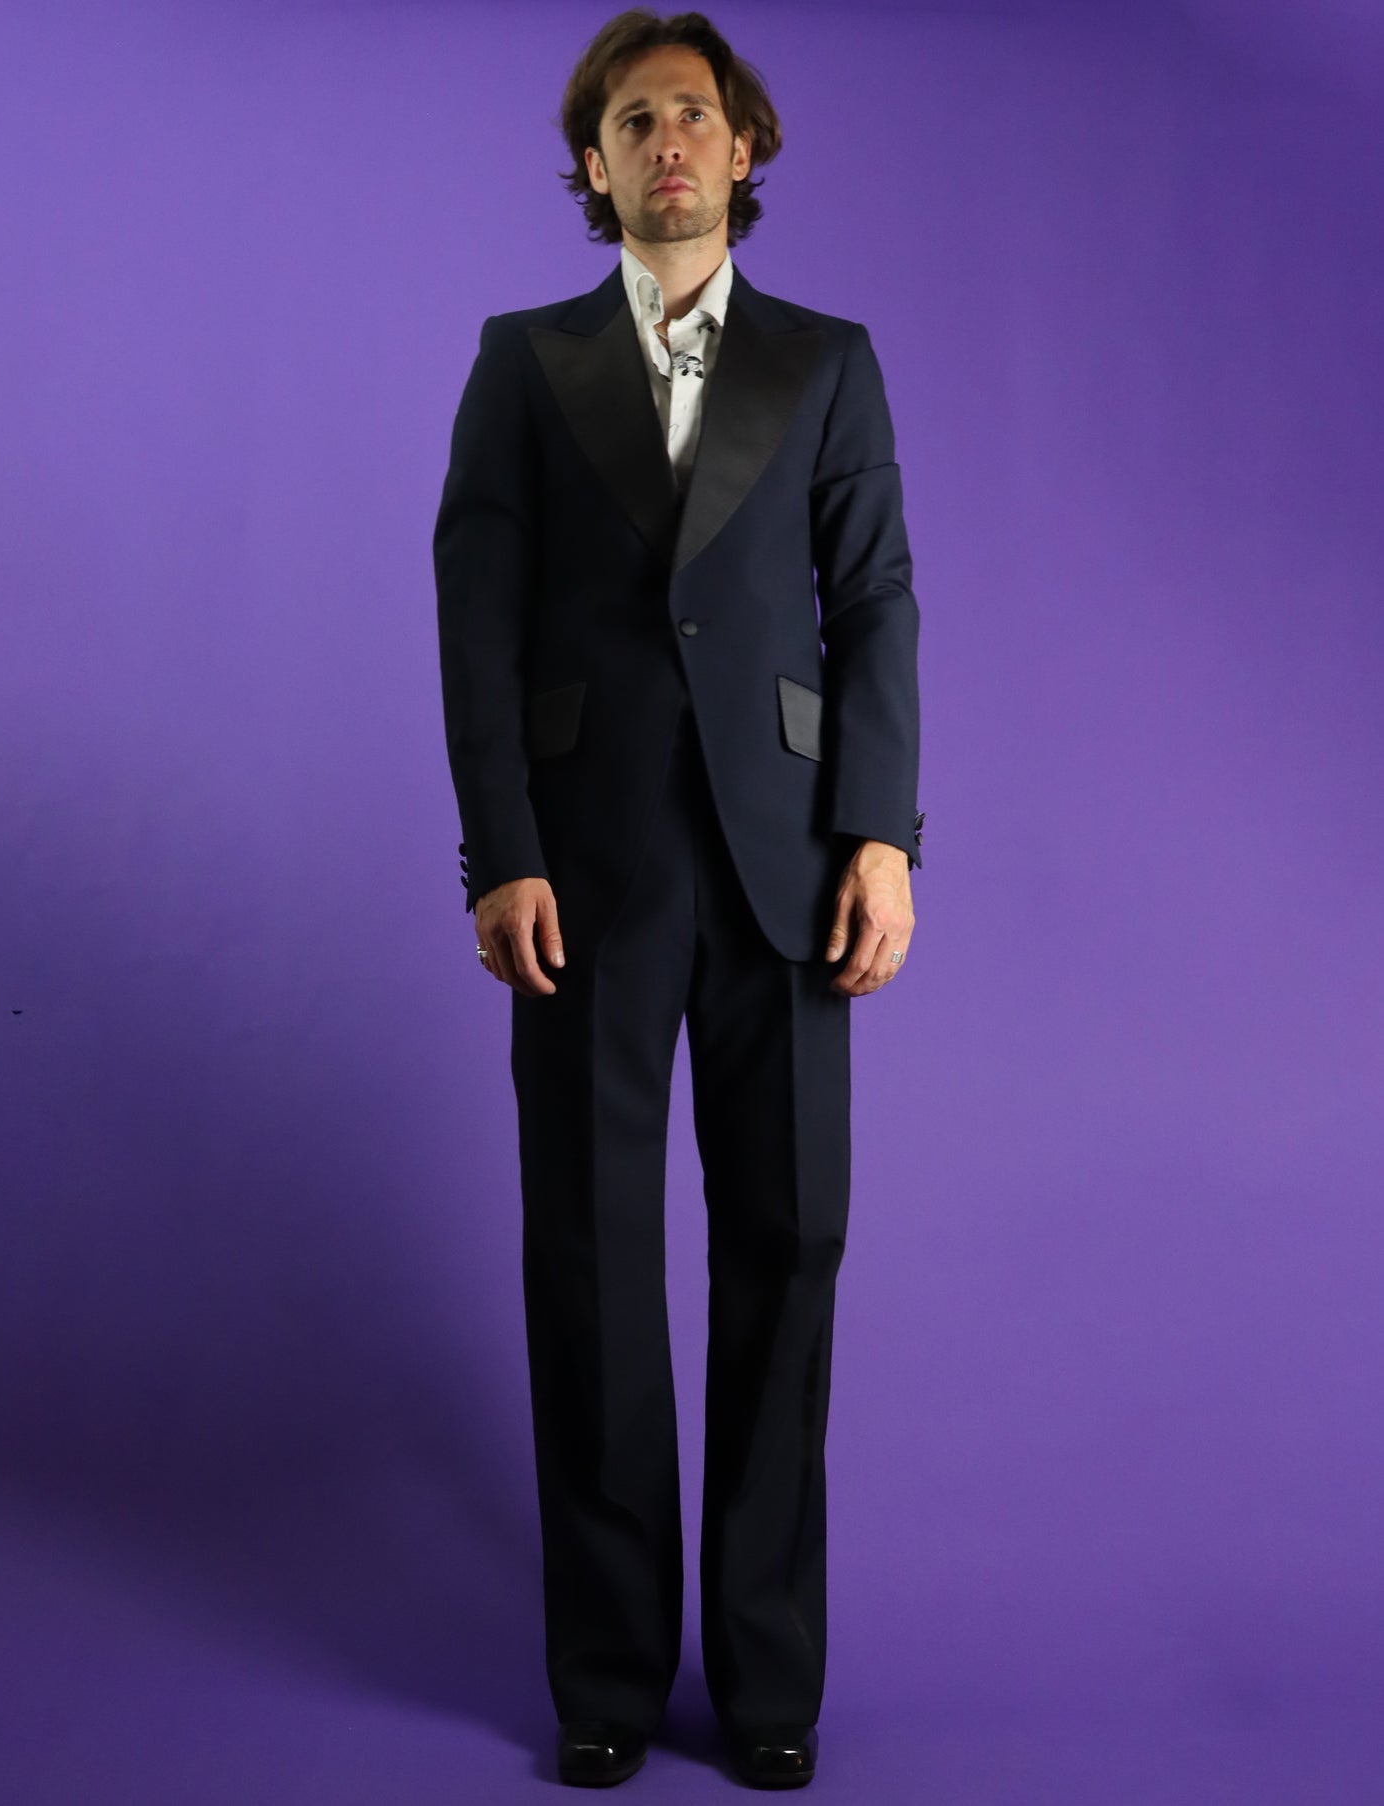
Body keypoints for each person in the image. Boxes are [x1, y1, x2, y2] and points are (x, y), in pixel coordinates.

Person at [433, 9, 924, 1789]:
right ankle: (608, 1679)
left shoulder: (824, 360)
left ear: (743, 148)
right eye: (632, 119)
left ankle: (770, 1681)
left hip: (788, 874)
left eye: (693, 115)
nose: (666, 142)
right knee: (590, 1263)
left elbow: (874, 597)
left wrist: (880, 835)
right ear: (595, 162)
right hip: (581, 879)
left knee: (786, 1256)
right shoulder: (523, 359)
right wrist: (502, 849)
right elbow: (474, 613)